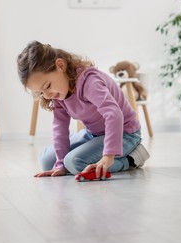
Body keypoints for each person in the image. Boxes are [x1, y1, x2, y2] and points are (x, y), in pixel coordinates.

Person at [17, 41, 150, 178]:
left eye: (48, 86)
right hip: (93, 134)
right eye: (41, 93)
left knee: (75, 163)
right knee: (46, 161)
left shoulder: (89, 82)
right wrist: (60, 164)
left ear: (60, 65)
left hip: (125, 133)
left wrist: (108, 155)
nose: (47, 95)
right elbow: (59, 128)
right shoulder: (58, 95)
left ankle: (130, 160)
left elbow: (113, 114)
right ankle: (73, 162)